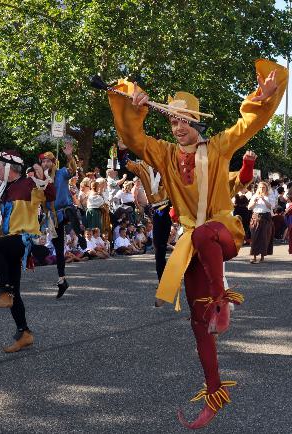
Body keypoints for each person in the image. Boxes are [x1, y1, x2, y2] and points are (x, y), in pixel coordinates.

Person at [107, 59, 287, 428]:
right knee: (197, 322)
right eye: (172, 121)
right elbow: (132, 138)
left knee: (205, 233)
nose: (178, 127)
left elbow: (246, 125)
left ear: (198, 123)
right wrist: (132, 104)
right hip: (191, 243)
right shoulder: (165, 153)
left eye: (184, 120)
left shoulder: (218, 146)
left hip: (221, 232)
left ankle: (223, 302)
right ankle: (214, 390)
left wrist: (262, 96)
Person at [0, 150, 55, 352]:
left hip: (23, 238)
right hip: (8, 239)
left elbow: (50, 195)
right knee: (15, 291)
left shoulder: (28, 183)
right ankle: (24, 332)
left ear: (8, 167)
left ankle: (5, 292)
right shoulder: (1, 189)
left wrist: (43, 177)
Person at [119, 149, 171, 280]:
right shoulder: (143, 168)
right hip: (156, 209)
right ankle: (162, 278)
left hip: (168, 208)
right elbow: (126, 163)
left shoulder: (168, 167)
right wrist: (122, 150)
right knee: (159, 247)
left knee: (166, 244)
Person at [35, 142, 78, 298]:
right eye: (43, 161)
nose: (46, 163)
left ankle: (77, 228)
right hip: (51, 217)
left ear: (53, 162)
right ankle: (62, 280)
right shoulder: (40, 179)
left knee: (69, 213)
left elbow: (73, 171)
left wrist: (69, 155)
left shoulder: (61, 173)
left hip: (65, 210)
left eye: (48, 161)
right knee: (58, 248)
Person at [248, 181, 273, 263]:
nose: (261, 189)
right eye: (260, 187)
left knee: (264, 237)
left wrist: (263, 199)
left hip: (265, 217)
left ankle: (262, 256)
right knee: (254, 237)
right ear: (258, 188)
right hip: (255, 217)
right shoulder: (254, 196)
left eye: (263, 187)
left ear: (266, 188)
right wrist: (254, 202)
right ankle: (254, 257)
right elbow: (249, 207)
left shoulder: (269, 196)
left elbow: (270, 207)